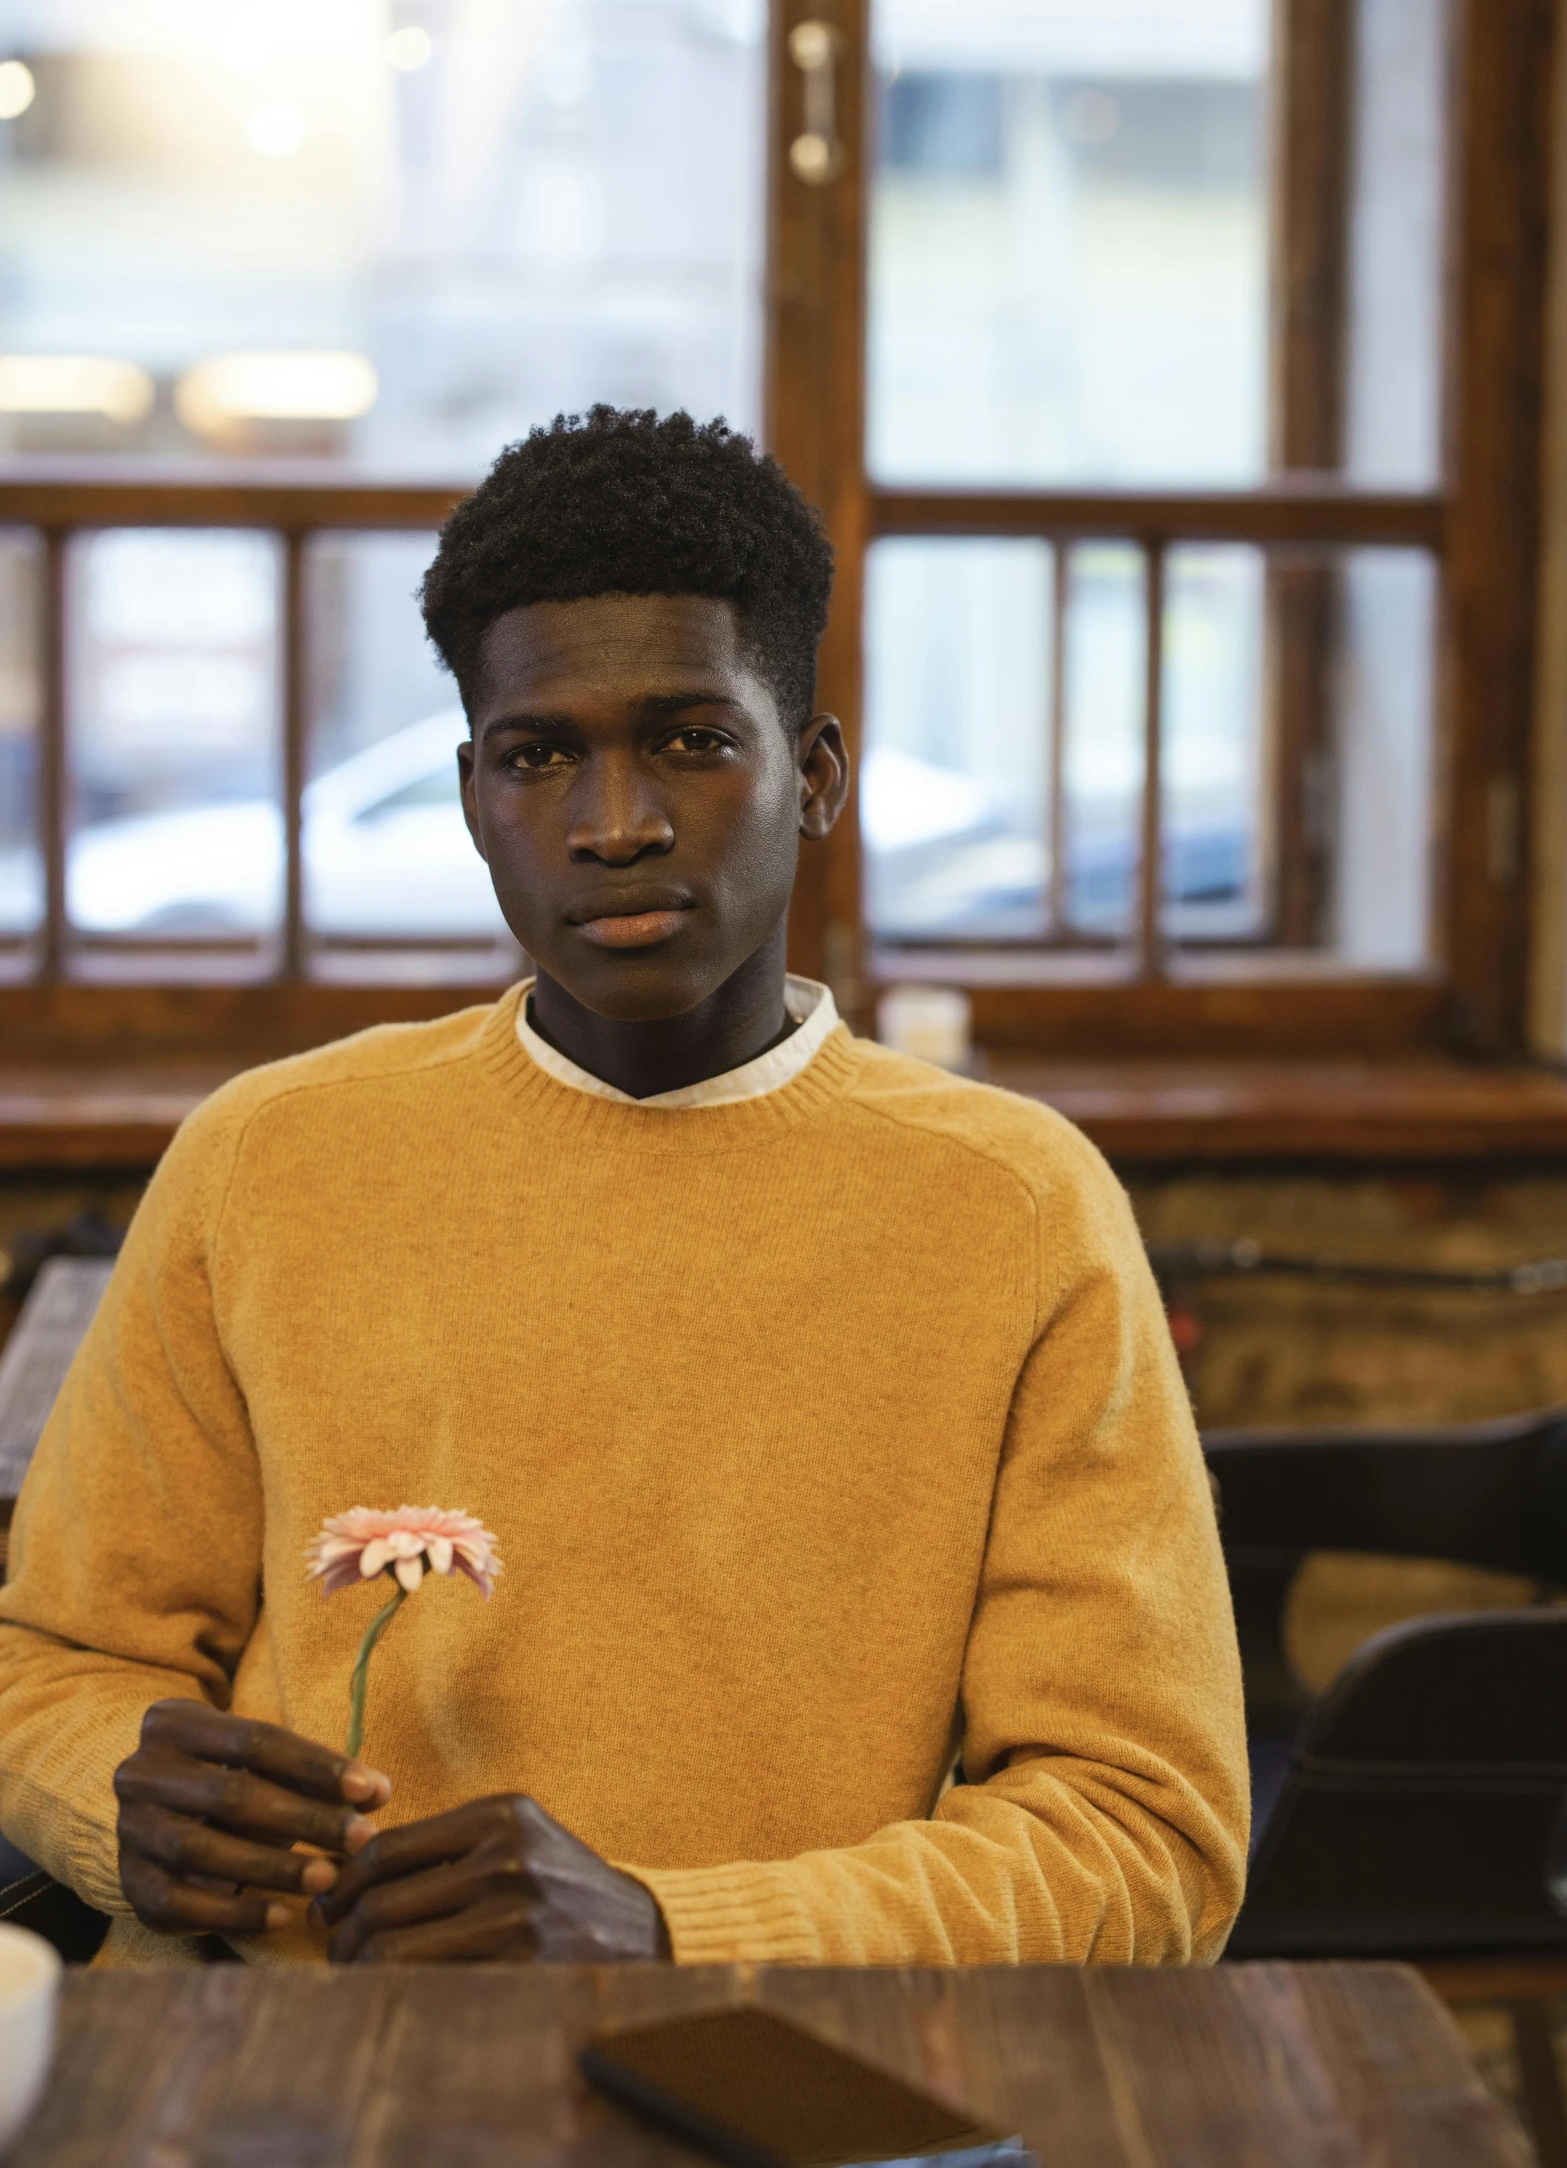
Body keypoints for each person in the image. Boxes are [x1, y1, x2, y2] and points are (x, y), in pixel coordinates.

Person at [0, 407, 1247, 1968]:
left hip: (774, 2073)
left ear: (815, 777)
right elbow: (56, 1663)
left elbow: (1144, 1839)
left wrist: (672, 1928)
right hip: (282, 2068)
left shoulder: (1013, 1209)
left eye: (689, 739)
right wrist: (120, 1799)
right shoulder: (267, 1158)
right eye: (539, 756)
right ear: (471, 795)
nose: (614, 823)